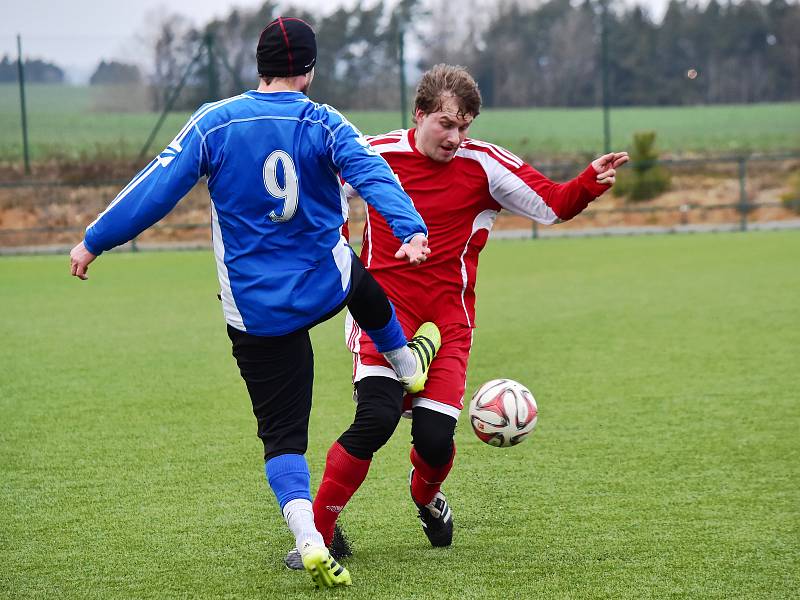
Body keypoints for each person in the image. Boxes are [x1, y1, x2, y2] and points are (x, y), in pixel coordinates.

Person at [68, 17, 443, 589]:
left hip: (256, 310)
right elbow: (373, 172)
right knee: (362, 284)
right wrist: (410, 228)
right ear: (310, 71)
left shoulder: (214, 123)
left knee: (283, 434)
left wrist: (94, 240)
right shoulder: (324, 121)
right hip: (324, 283)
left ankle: (307, 536)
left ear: (259, 68)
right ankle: (407, 365)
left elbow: (155, 189)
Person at [285, 63, 629, 563]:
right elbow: (321, 199)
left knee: (433, 439)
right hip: (382, 311)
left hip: (449, 322)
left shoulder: (484, 165)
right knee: (377, 417)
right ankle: (318, 532)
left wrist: (589, 182)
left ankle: (426, 498)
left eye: (465, 126)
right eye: (446, 123)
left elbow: (552, 204)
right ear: (419, 114)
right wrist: (335, 257)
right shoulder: (374, 155)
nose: (455, 137)